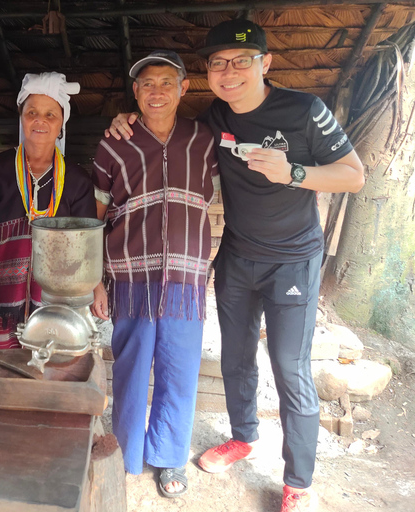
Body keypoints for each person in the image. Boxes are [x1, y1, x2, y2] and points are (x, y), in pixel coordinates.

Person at [105, 19, 365, 512]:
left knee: (290, 369)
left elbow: (354, 176)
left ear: (265, 64)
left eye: (241, 61)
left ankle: (298, 482)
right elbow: (161, 123)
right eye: (218, 63)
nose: (229, 71)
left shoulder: (305, 109)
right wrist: (125, 117)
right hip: (238, 257)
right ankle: (243, 437)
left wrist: (295, 172)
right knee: (236, 357)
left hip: (293, 259)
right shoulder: (213, 117)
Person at [90, 50, 218, 498]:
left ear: (184, 88)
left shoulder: (205, 139)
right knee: (130, 368)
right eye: (147, 83)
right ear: (135, 92)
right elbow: (95, 215)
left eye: (167, 82)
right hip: (129, 279)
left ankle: (168, 458)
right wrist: (94, 280)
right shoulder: (113, 144)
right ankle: (127, 452)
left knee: (179, 370)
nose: (157, 90)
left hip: (186, 281)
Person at [0, 72, 97, 374]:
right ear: (21, 119)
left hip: (54, 304)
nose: (40, 120)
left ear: (61, 124)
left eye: (50, 114)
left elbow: (84, 250)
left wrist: (88, 298)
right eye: (32, 112)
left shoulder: (76, 180)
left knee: (50, 375)